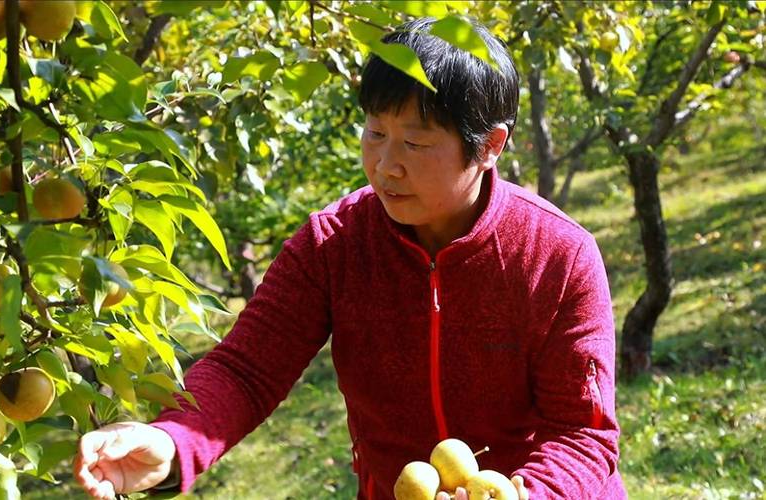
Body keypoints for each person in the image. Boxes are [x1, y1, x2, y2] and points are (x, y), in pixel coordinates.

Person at [74, 17, 627, 500]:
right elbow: (247, 369)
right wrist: (174, 441)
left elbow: (583, 432)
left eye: (414, 143)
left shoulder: (555, 255)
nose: (386, 165)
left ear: (490, 146)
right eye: (375, 132)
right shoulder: (334, 246)